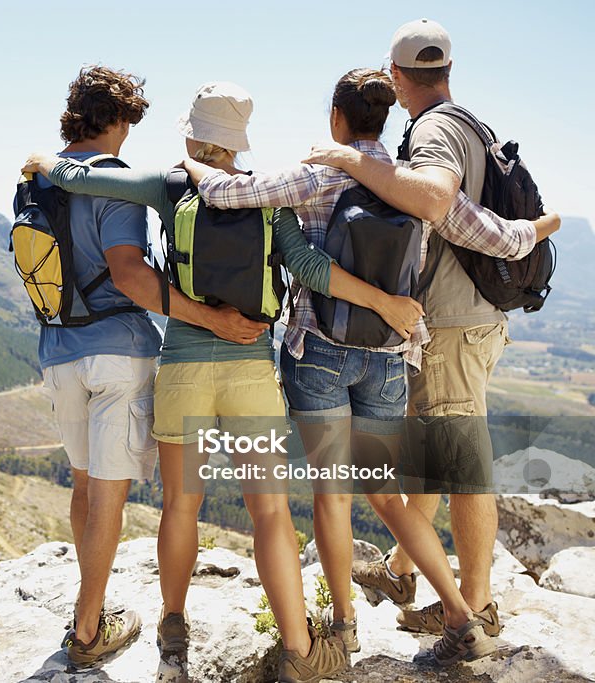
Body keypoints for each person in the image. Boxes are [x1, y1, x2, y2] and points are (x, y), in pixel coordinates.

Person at [24, 81, 426, 683]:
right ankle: (300, 649)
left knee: (182, 504)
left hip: (182, 370)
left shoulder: (168, 185)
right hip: (251, 377)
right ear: (239, 140)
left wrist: (41, 165)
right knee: (268, 512)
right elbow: (312, 268)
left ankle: (173, 625)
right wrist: (386, 304)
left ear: (192, 132)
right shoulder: (265, 196)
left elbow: (80, 179)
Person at [184, 67, 557, 666]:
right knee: (385, 495)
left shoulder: (316, 176)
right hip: (389, 355)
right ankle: (462, 612)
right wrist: (540, 228)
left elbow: (224, 194)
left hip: (320, 352)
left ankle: (346, 627)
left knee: (333, 496)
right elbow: (499, 238)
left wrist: (197, 167)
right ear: (384, 121)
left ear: (336, 118)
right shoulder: (416, 185)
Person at [302, 18, 560, 657]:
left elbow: (436, 199)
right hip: (465, 321)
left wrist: (351, 159)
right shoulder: (469, 121)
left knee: (461, 456)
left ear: (396, 77)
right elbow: (487, 225)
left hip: (450, 323)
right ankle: (402, 572)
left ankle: (476, 608)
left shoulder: (438, 130)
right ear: (447, 70)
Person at [31, 66, 270, 668]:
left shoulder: (36, 179)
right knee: (110, 490)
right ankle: (88, 629)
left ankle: (92, 609)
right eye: (129, 124)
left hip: (58, 348)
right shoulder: (117, 182)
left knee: (84, 483)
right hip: (118, 348)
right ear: (116, 120)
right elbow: (130, 274)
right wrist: (209, 318)